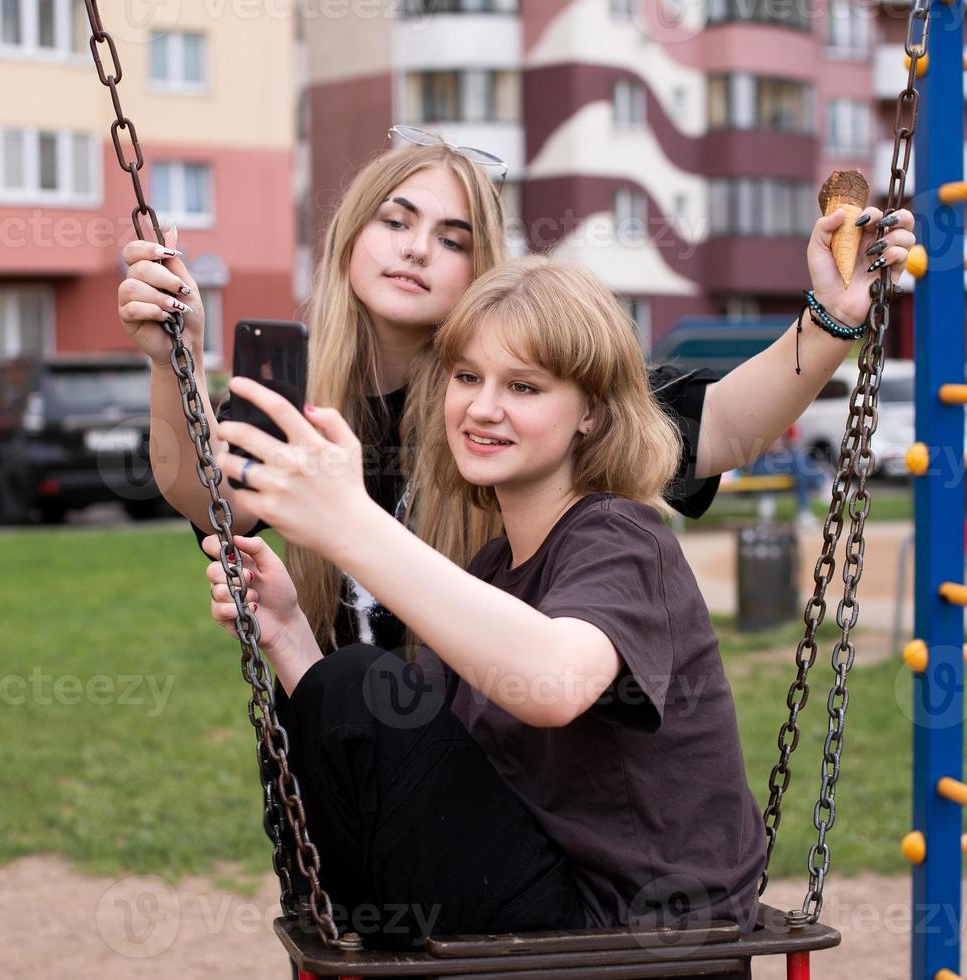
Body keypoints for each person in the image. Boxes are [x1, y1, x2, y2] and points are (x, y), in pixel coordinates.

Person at [115, 128, 917, 650]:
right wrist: (171, 363)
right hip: (337, 760)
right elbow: (208, 499)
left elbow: (723, 430)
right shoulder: (292, 395)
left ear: (480, 265)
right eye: (395, 222)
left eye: (451, 238)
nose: (416, 250)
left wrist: (830, 316)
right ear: (352, 235)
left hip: (492, 765)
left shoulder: (525, 394)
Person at [203, 257, 766, 949]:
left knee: (358, 681)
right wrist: (287, 631)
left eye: (523, 386)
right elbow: (412, 748)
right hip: (544, 896)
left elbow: (555, 682)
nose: (482, 407)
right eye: (467, 377)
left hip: (633, 925)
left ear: (590, 411)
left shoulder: (621, 536)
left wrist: (350, 524)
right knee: (353, 693)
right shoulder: (495, 567)